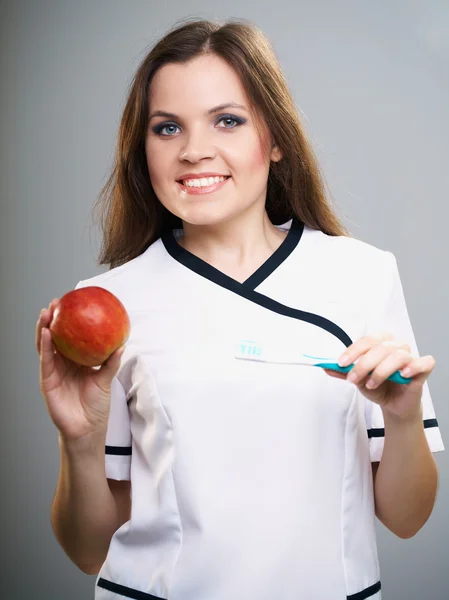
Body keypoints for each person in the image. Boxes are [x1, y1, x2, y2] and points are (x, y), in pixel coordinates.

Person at [36, 18, 444, 600]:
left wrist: (402, 415)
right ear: (143, 148)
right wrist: (78, 439)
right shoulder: (114, 304)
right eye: (167, 127)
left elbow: (406, 519)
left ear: (275, 139)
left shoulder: (363, 275)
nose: (194, 151)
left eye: (227, 121)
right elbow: (87, 551)